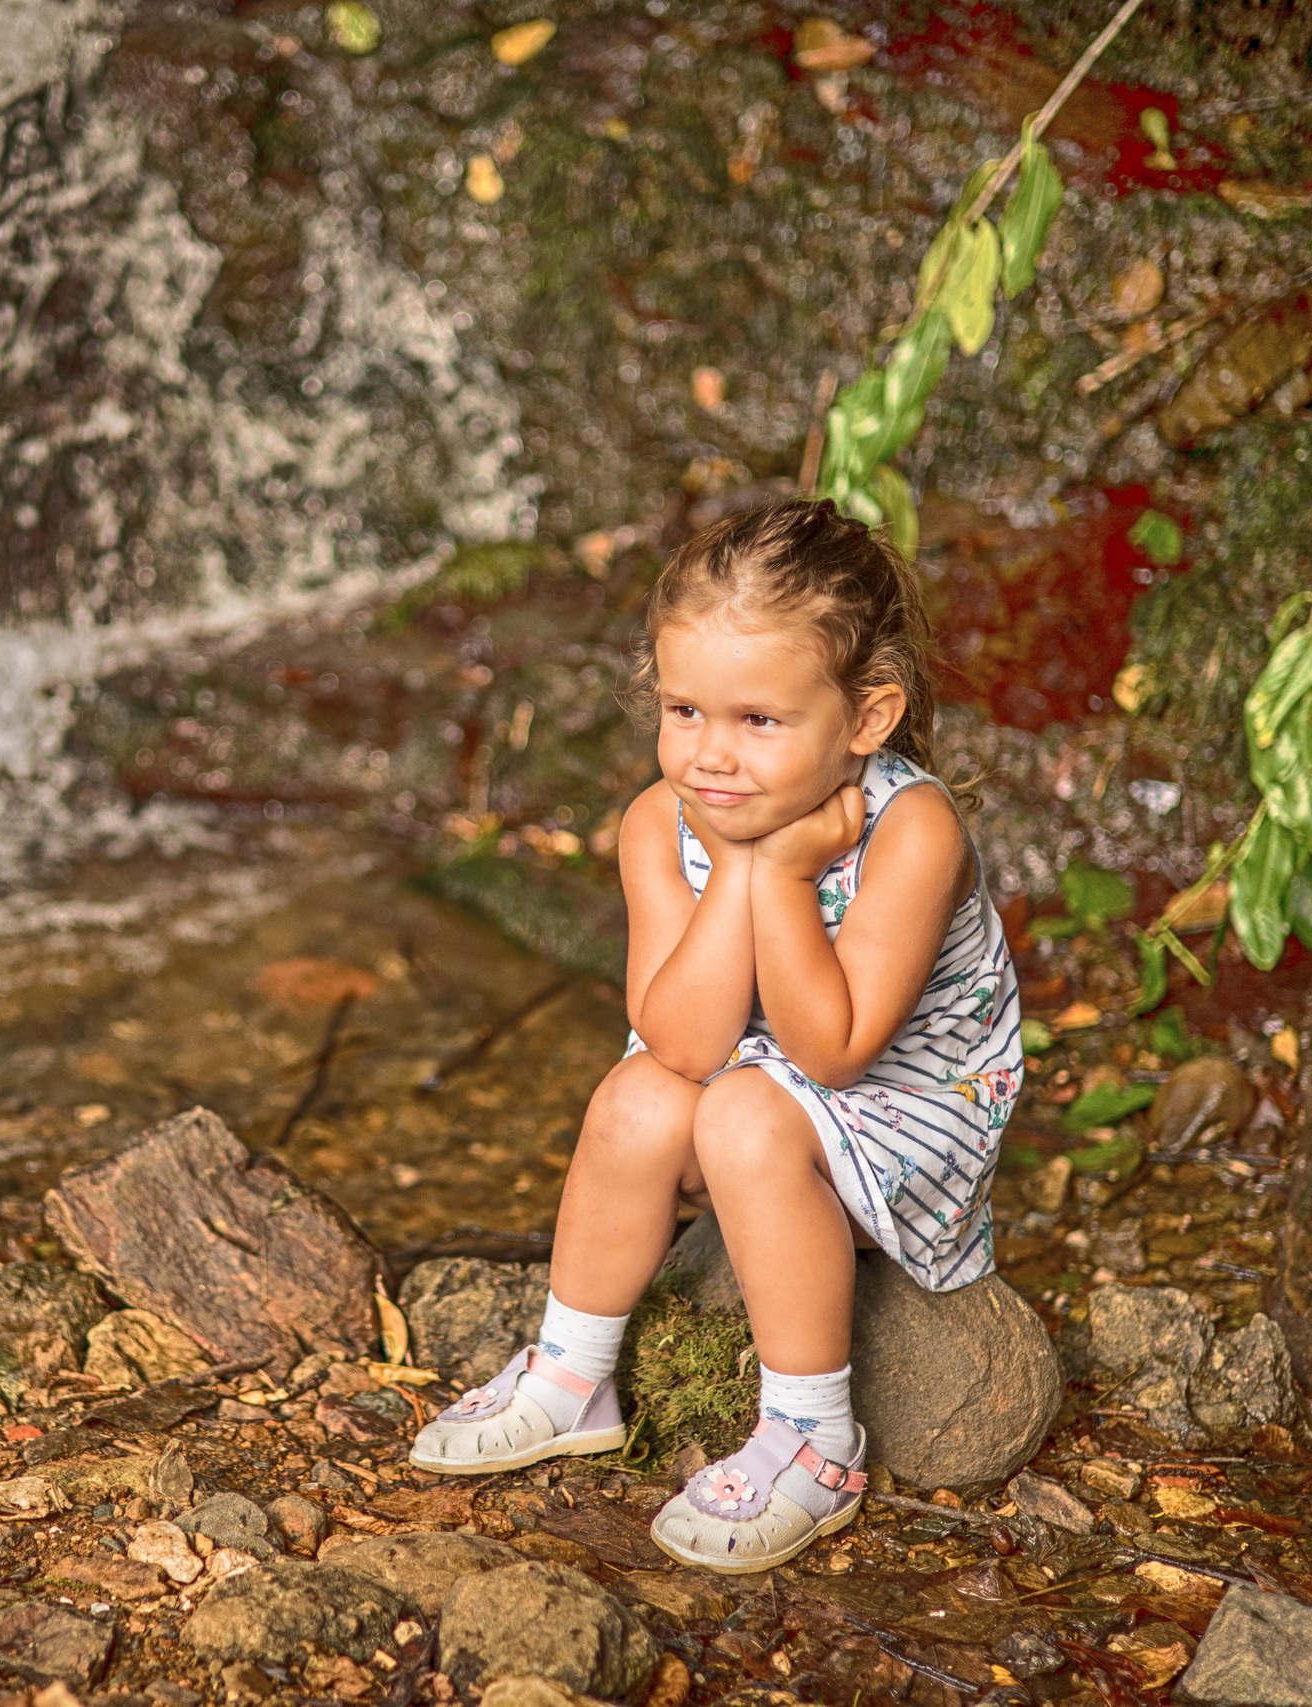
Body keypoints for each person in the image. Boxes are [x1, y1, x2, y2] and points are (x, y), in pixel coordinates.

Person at [409, 499, 1021, 1574]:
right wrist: (742, 865)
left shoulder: (911, 829)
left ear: (867, 718)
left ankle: (814, 1438)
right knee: (635, 1097)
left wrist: (782, 875)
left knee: (740, 1114)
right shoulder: (660, 821)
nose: (710, 756)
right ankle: (571, 1375)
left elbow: (836, 1051)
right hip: (744, 1078)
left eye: (758, 720)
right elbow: (681, 1045)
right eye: (684, 710)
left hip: (903, 1113)